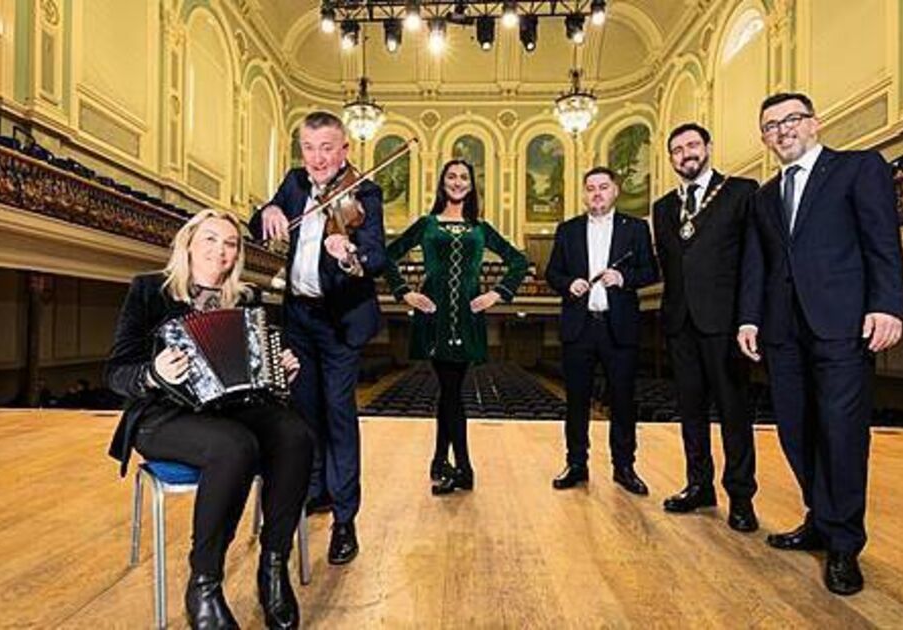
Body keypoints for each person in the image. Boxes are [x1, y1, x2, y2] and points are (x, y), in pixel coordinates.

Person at [105, 209, 310, 629]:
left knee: (295, 435)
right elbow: (116, 372)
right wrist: (153, 373)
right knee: (234, 446)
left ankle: (273, 566)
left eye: (230, 243)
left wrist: (280, 367)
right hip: (162, 415)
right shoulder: (150, 291)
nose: (221, 250)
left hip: (230, 409)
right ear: (189, 244)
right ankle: (204, 584)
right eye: (210, 239)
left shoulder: (246, 298)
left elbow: (258, 373)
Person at [738, 92, 903, 595]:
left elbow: (882, 242)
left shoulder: (858, 168)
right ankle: (820, 517)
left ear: (814, 123)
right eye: (771, 126)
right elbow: (759, 263)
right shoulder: (766, 196)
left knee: (842, 434)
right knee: (796, 430)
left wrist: (887, 305)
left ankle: (844, 544)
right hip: (783, 332)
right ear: (765, 138)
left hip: (842, 325)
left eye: (791, 119)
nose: (782, 130)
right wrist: (749, 319)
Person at [250, 111, 387, 567]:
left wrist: (349, 253)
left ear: (345, 148)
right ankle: (315, 491)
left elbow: (376, 256)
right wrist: (268, 211)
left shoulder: (365, 192)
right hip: (299, 318)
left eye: (327, 147)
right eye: (309, 148)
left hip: (340, 321)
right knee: (304, 412)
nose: (318, 158)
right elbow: (259, 223)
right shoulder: (294, 183)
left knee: (339, 414)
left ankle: (345, 520)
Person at [384, 160, 528, 495]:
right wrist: (405, 292)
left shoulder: (480, 227)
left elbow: (518, 261)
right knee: (450, 391)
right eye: (451, 176)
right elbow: (388, 257)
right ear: (442, 183)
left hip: (467, 317)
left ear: (471, 185)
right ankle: (461, 467)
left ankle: (443, 461)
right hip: (434, 315)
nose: (458, 182)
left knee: (450, 392)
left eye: (464, 177)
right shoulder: (427, 224)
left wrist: (496, 294)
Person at [650, 122, 759, 532]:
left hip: (724, 323)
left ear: (708, 147)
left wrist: (748, 317)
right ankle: (699, 485)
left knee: (734, 413)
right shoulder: (663, 207)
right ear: (671, 159)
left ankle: (741, 497)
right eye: (677, 150)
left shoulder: (740, 192)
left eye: (692, 145)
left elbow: (753, 261)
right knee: (691, 412)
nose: (686, 154)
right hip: (680, 323)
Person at [545, 166, 659, 495]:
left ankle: (624, 467)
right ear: (584, 194)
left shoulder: (635, 228)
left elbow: (650, 271)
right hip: (579, 328)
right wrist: (569, 283)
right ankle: (576, 464)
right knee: (576, 402)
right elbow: (552, 273)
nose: (597, 193)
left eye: (603, 187)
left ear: (615, 191)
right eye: (591, 188)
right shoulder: (567, 230)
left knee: (623, 400)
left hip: (618, 327)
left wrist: (623, 278)